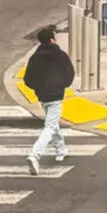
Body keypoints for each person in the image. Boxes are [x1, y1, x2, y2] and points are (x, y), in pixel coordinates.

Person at [21, 26, 74, 176]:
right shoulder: (61, 55)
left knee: (52, 122)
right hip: (56, 93)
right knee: (50, 126)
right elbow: (69, 73)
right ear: (52, 40)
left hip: (43, 95)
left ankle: (60, 149)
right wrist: (62, 85)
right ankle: (35, 155)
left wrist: (38, 87)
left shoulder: (35, 57)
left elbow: (28, 79)